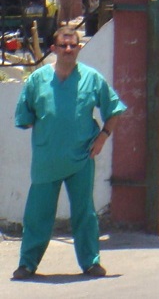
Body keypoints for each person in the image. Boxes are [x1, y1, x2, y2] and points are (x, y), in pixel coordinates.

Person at [12, 25, 126, 280]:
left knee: (84, 213)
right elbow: (24, 117)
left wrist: (103, 137)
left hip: (81, 159)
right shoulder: (37, 80)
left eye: (72, 45)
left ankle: (91, 262)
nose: (68, 50)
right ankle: (27, 264)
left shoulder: (91, 78)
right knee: (37, 214)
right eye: (63, 45)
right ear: (53, 49)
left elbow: (114, 109)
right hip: (47, 160)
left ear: (79, 48)